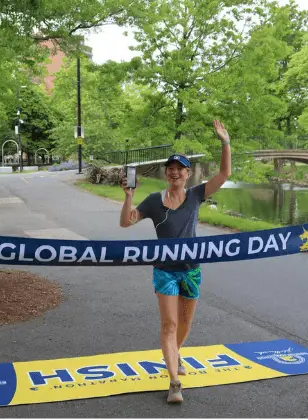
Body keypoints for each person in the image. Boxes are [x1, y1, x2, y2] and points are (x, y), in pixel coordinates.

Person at [119, 120, 231, 403]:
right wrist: (129, 197)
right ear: (166, 173)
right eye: (171, 169)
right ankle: (174, 382)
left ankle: (175, 351)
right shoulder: (154, 201)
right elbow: (125, 223)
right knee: (168, 324)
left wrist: (225, 143)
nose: (175, 172)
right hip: (165, 271)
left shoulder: (196, 195)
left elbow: (225, 173)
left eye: (180, 169)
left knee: (184, 323)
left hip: (191, 270)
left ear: (188, 174)